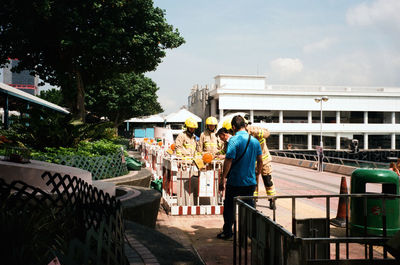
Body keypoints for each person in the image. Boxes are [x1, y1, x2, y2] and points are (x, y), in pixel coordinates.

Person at [217, 115, 263, 240]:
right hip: (250, 182)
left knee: (229, 208)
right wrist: (257, 173)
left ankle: (228, 232)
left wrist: (223, 179)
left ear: (233, 127)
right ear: (244, 125)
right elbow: (260, 161)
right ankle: (251, 235)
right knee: (249, 208)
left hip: (235, 182)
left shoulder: (233, 140)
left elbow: (228, 160)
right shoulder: (254, 141)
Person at [246, 123, 276, 209]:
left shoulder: (255, 129)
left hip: (265, 161)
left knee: (268, 180)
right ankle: (254, 200)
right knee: (254, 183)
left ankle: (272, 200)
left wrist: (254, 132)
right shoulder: (244, 135)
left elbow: (267, 133)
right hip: (253, 163)